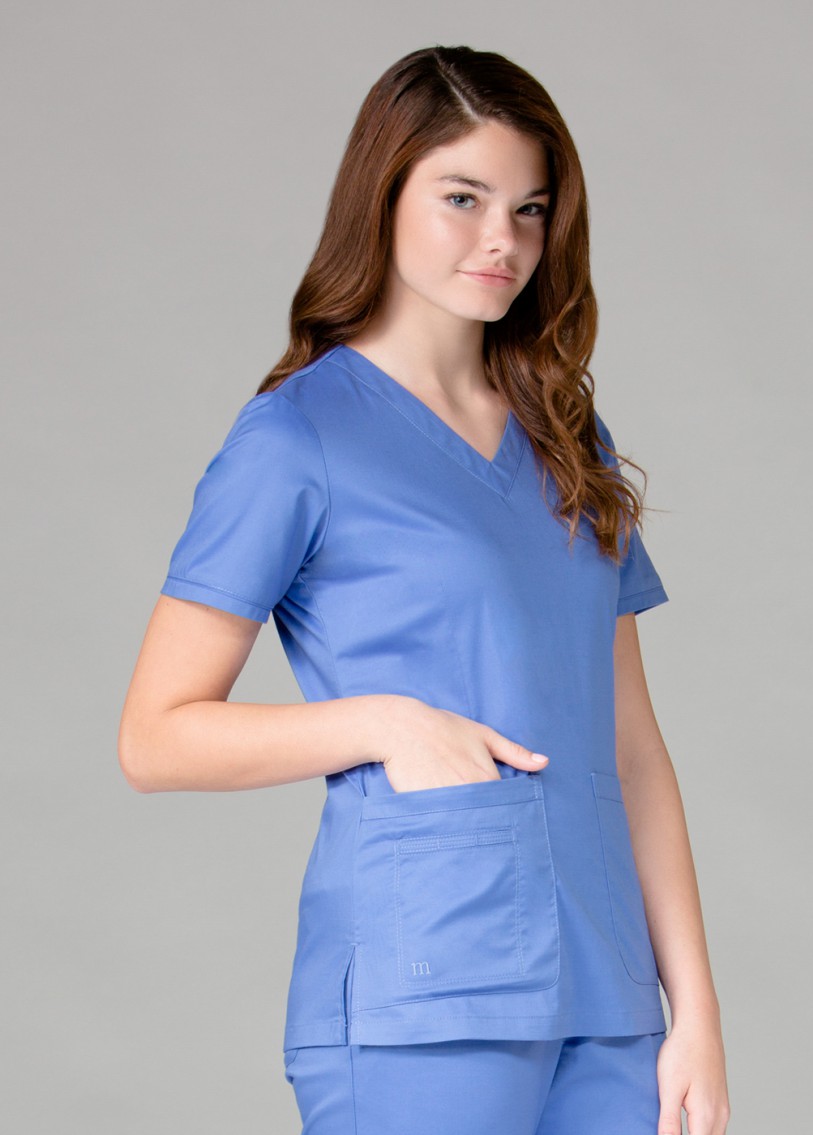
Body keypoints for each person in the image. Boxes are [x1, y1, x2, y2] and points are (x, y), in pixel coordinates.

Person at [118, 44, 730, 1135]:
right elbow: (154, 738)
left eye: (529, 209)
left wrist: (695, 1011)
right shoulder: (297, 437)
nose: (503, 240)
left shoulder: (567, 437)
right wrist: (383, 724)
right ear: (383, 194)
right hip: (423, 995)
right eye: (463, 198)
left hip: (610, 998)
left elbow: (632, 746)